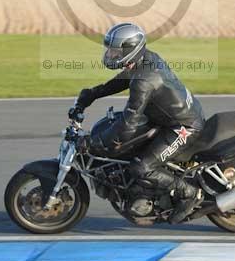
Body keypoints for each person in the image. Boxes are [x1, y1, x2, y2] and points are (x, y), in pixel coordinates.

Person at [71, 22, 205, 224]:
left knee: (142, 167)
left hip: (184, 127)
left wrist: (92, 143)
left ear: (131, 50)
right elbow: (122, 80)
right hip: (169, 117)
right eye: (111, 50)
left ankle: (189, 193)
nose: (112, 54)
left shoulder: (144, 81)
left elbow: (129, 123)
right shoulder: (144, 60)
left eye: (116, 51)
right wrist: (91, 95)